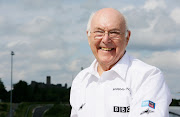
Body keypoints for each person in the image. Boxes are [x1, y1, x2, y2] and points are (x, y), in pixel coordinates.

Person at [70, 8, 172, 117]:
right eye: (99, 32)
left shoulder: (148, 77)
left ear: (127, 38)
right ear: (88, 36)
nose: (105, 39)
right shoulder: (81, 80)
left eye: (114, 33)